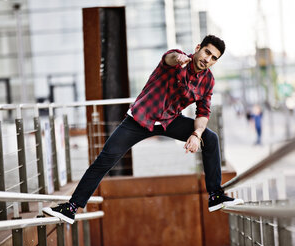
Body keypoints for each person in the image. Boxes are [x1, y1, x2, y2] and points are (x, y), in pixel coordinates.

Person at [43, 35, 244, 224]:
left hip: (170, 121)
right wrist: (179, 58)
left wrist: (195, 134)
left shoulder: (208, 81)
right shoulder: (177, 59)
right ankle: (71, 207)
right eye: (206, 52)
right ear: (198, 48)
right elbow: (169, 58)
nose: (207, 59)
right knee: (105, 159)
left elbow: (203, 111)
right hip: (141, 119)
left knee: (210, 138)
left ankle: (215, 196)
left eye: (213, 58)